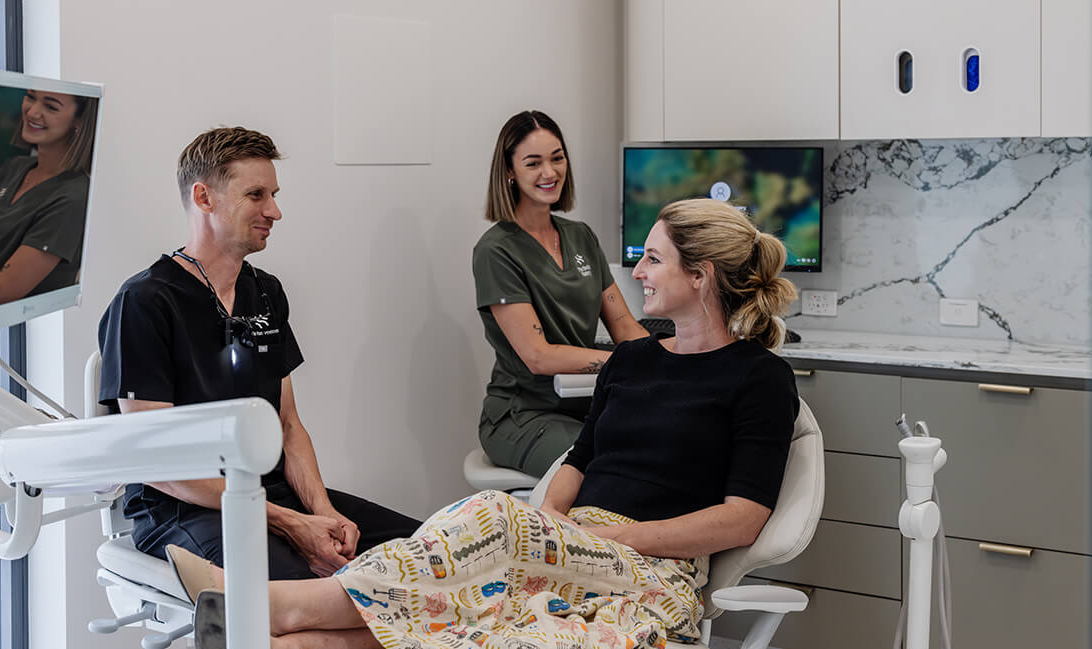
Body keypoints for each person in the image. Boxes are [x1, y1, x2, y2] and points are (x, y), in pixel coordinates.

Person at [170, 198, 800, 649]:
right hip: (574, 541)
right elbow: (579, 460)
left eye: (653, 260)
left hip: (652, 568)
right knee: (477, 581)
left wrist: (611, 539)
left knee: (493, 520)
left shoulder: (759, 378)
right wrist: (552, 524)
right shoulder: (632, 360)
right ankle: (281, 640)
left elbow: (743, 517)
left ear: (701, 274)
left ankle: (260, 605)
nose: (636, 272)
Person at [97, 127, 420, 581]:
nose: (275, 211)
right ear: (204, 198)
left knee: (430, 554)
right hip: (183, 511)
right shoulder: (145, 302)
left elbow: (287, 426)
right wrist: (291, 523)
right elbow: (154, 463)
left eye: (274, 194)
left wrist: (323, 514)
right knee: (314, 592)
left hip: (271, 495)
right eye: (256, 195)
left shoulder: (264, 292)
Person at [473, 110, 648, 477]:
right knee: (614, 468)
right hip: (522, 416)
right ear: (509, 171)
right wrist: (624, 362)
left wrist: (673, 359)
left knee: (667, 445)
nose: (549, 173)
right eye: (533, 163)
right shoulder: (497, 251)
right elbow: (538, 357)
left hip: (586, 404)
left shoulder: (580, 236)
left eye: (557, 158)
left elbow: (625, 328)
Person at [0, 88, 98, 308]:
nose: (32, 112)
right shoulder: (15, 167)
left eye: (50, 106)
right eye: (30, 97)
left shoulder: (72, 197)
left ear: (78, 120)